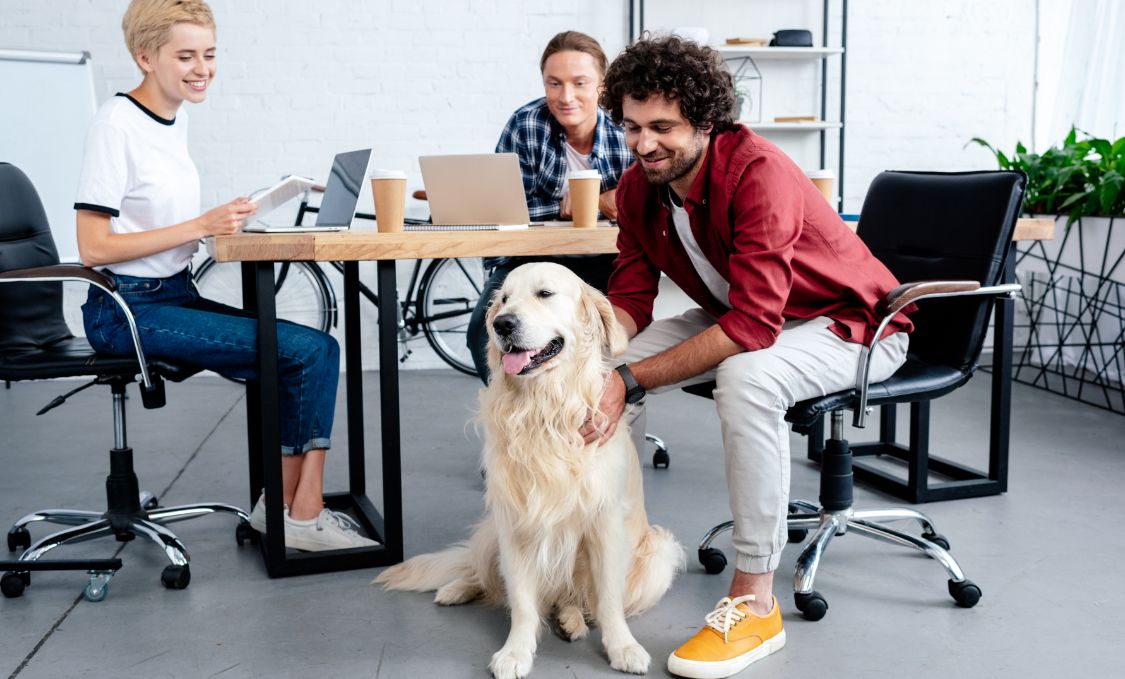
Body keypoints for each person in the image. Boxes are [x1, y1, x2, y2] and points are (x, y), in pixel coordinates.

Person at [587, 36, 914, 679]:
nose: (643, 144)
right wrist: (604, 364)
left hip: (852, 325)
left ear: (706, 121)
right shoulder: (636, 187)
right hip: (745, 312)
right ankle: (603, 559)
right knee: (588, 373)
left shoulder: (757, 171)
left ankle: (754, 598)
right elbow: (629, 298)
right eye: (630, 126)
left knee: (746, 377)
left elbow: (752, 329)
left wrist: (629, 377)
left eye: (662, 128)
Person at [75, 0, 375, 552]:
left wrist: (226, 220)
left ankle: (284, 510)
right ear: (145, 56)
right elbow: (92, 247)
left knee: (319, 349)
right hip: (125, 311)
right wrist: (199, 223)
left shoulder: (174, 119)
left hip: (172, 293)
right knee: (304, 352)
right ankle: (299, 516)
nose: (202, 68)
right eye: (185, 55)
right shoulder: (116, 123)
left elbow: (155, 222)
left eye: (209, 55)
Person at [465, 30, 634, 382]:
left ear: (603, 86)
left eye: (580, 83)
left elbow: (648, 202)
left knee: (605, 336)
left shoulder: (627, 129)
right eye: (554, 84)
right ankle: (522, 418)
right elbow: (505, 210)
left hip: (610, 260)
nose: (566, 96)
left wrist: (604, 201)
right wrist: (565, 205)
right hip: (530, 259)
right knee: (480, 337)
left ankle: (593, 418)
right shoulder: (525, 125)